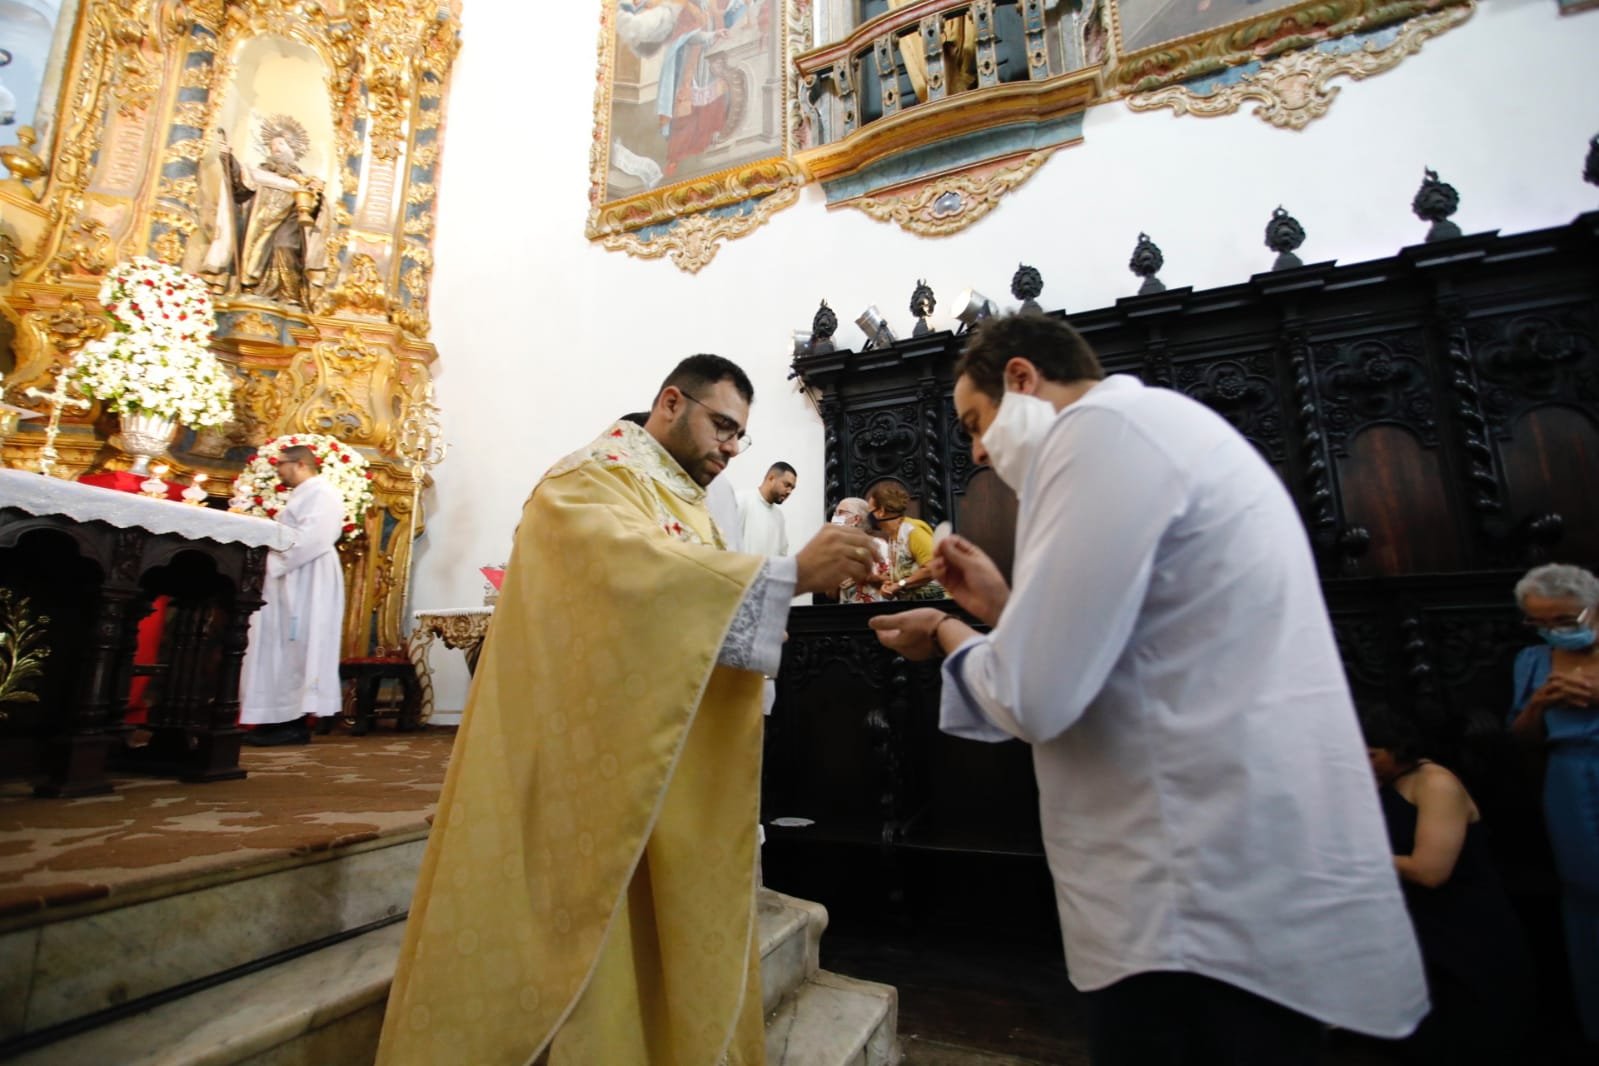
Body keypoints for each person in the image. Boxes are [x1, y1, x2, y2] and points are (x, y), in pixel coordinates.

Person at [869, 312, 1427, 1063]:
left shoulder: (1095, 436)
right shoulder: (1155, 426)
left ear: (1022, 379)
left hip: (1189, 887)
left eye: (975, 423)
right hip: (1227, 865)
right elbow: (1140, 644)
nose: (974, 450)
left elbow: (1035, 695)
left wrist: (944, 631)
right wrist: (1005, 610)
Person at [376, 355, 874, 1066]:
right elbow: (629, 582)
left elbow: (682, 610)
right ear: (671, 402)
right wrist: (784, 578)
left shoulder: (682, 496)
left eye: (741, 435)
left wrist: (747, 616)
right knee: (589, 947)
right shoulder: (586, 481)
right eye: (722, 425)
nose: (732, 447)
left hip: (650, 758)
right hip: (582, 769)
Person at [1363, 708, 1534, 1064]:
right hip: (1419, 934)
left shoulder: (1435, 784)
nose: (1364, 764)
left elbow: (1430, 871)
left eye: (1373, 755)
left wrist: (1359, 857)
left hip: (1464, 931)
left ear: (1397, 747)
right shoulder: (1383, 784)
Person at [1508, 562, 1599, 1047]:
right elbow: (1521, 739)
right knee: (1586, 891)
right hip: (1567, 780)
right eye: (1539, 622)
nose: (1553, 631)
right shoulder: (1531, 661)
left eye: (1564, 620)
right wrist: (1540, 703)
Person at [239, 445, 346, 746]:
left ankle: (293, 721)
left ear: (300, 464)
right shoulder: (305, 493)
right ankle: (276, 717)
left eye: (281, 464)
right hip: (293, 574)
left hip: (308, 576)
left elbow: (316, 536)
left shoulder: (322, 492)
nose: (278, 471)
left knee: (299, 644)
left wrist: (274, 562)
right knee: (281, 645)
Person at [865, 480, 944, 600]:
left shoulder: (913, 532)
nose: (868, 517)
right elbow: (905, 572)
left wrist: (900, 584)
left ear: (881, 511)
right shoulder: (893, 536)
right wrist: (888, 584)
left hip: (938, 603)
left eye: (870, 511)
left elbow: (934, 567)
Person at [832, 497, 891, 603]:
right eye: (835, 513)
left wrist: (865, 578)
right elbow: (830, 595)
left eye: (840, 513)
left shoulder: (879, 546)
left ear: (856, 519)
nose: (835, 518)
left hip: (876, 609)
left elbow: (893, 582)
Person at [736, 461, 795, 557]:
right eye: (787, 485)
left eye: (792, 488)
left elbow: (782, 554)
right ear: (771, 478)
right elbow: (726, 543)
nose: (789, 491)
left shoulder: (779, 516)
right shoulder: (741, 500)